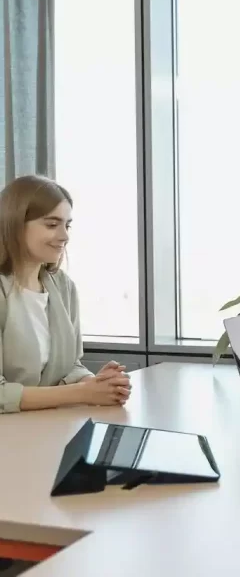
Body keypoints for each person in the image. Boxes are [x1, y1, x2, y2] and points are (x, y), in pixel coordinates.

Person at [0, 175, 131, 414]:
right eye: (52, 225)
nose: (65, 236)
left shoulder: (63, 287)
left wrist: (95, 384)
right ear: (15, 224)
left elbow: (69, 367)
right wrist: (81, 393)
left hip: (47, 428)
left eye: (67, 225)